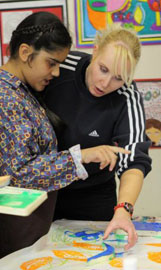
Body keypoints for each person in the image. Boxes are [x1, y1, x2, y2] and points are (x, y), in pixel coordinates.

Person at [0, 12, 129, 270]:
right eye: (51, 63)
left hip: (28, 223)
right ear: (25, 52)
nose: (56, 73)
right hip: (9, 228)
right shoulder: (3, 99)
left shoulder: (22, 92)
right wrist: (81, 156)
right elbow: (20, 174)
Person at [43, 24, 152, 250]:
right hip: (44, 190)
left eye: (118, 78)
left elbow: (133, 160)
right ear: (95, 50)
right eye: (103, 69)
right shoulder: (61, 67)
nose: (106, 83)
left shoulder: (127, 95)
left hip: (93, 197)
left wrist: (124, 209)